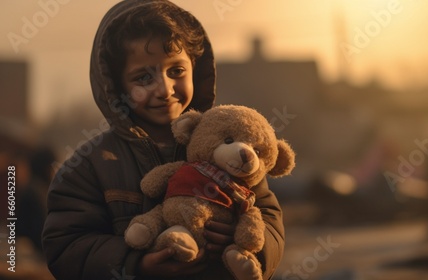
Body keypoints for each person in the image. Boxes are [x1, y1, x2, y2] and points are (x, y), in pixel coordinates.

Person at [41, 1, 285, 279]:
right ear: (116, 85)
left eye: (176, 71)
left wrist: (244, 241)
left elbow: (270, 220)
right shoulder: (91, 165)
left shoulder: (230, 149)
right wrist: (135, 264)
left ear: (195, 67)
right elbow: (66, 247)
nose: (164, 89)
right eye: (143, 77)